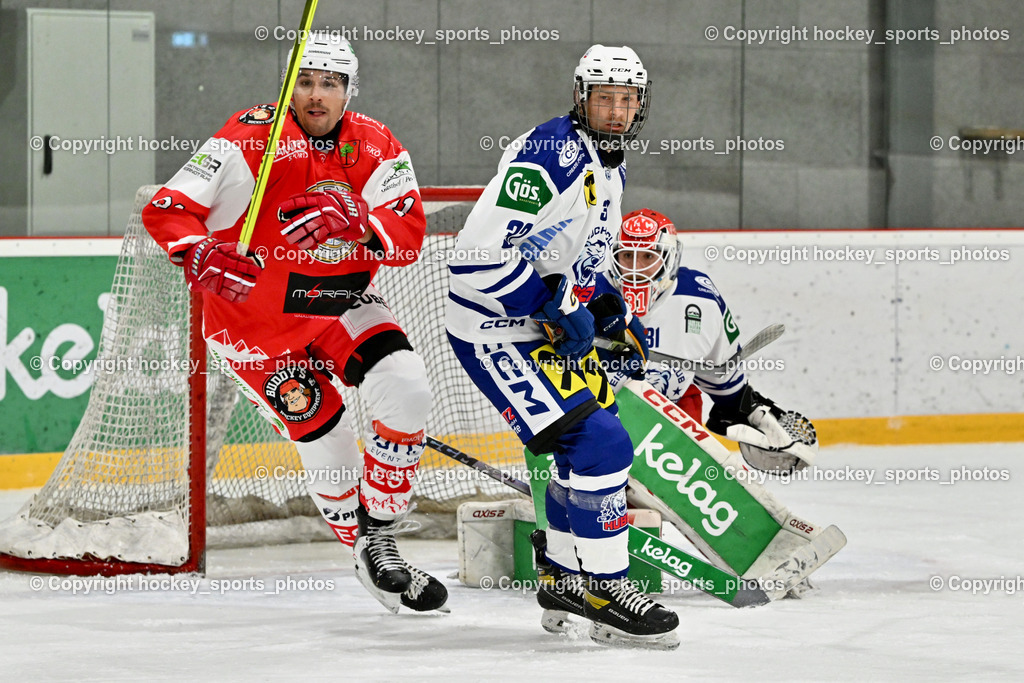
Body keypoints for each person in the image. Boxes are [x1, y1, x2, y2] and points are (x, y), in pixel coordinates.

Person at [142, 32, 446, 613]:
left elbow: (407, 241)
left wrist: (357, 219)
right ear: (288, 86)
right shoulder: (246, 137)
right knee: (330, 444)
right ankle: (363, 549)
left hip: (336, 303)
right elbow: (168, 208)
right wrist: (199, 252)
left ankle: (380, 536)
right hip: (253, 331)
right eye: (304, 82)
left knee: (406, 387)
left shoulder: (377, 145)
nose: (315, 95)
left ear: (348, 91)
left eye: (329, 84)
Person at [445, 45, 679, 649]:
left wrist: (607, 308)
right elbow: (474, 261)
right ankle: (607, 590)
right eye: (605, 98)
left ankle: (563, 574)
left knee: (582, 449)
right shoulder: (551, 155)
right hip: (492, 328)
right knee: (601, 441)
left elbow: (581, 255)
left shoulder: (610, 164)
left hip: (537, 323)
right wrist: (551, 304)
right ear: (581, 98)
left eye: (627, 100)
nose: (616, 111)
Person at [597, 207, 818, 476]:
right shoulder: (588, 288)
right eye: (626, 256)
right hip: (594, 417)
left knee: (688, 399)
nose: (635, 269)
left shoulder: (699, 298)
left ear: (669, 260)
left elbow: (720, 374)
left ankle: (680, 480)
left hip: (662, 424)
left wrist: (743, 407)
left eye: (647, 256)